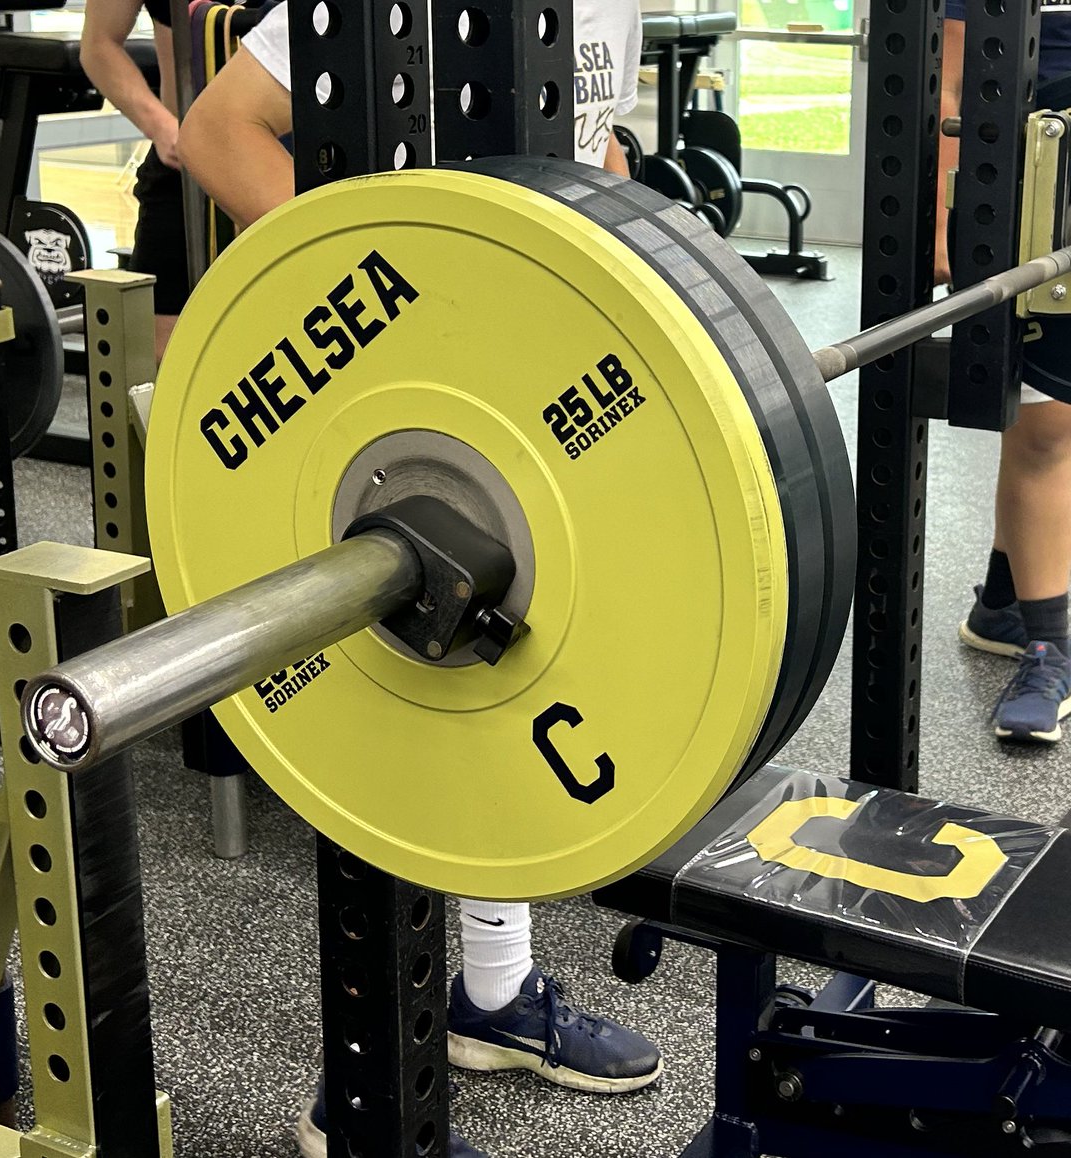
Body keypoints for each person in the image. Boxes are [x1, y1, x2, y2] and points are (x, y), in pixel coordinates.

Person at [178, 6, 661, 1156]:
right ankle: (361, 1096)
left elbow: (594, 148)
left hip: (526, 388)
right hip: (409, 416)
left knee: (510, 684)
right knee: (396, 703)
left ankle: (491, 1000)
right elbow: (220, 130)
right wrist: (401, 305)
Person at [940, 2, 1071, 742]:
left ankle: (1004, 600)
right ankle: (1049, 646)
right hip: (1028, 191)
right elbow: (950, 86)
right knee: (1047, 424)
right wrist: (930, 225)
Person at [81, 0, 189, 359]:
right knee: (163, 354)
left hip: (300, 163)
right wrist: (162, 127)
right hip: (184, 171)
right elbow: (98, 44)